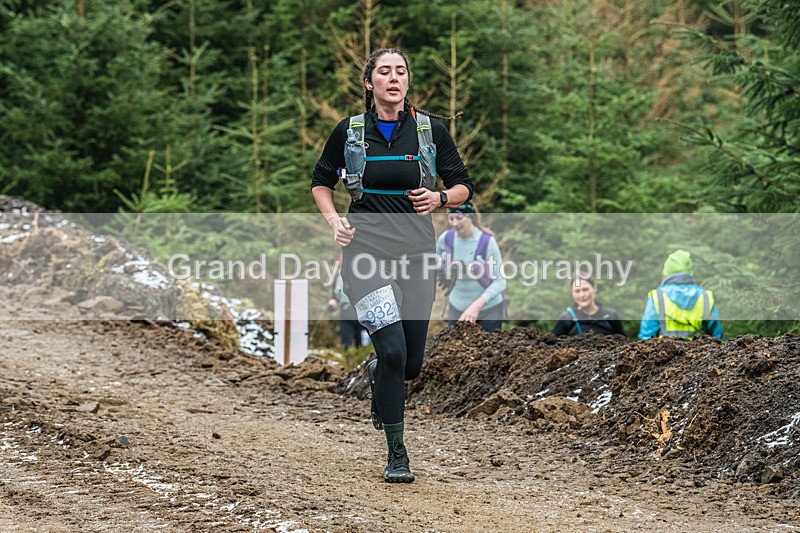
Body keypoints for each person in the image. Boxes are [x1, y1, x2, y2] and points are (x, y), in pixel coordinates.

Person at [311, 48, 473, 483]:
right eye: (384, 72)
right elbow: (321, 182)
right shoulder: (350, 132)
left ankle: (382, 375)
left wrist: (440, 198)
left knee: (411, 363)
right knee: (395, 350)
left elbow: (462, 185)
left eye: (401, 71)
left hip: (418, 255)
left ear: (407, 81)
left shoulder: (430, 131)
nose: (393, 78)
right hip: (365, 256)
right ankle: (397, 454)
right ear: (370, 84)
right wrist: (335, 222)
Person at [436, 202, 506, 332]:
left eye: (459, 218)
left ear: (471, 217)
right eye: (451, 218)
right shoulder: (445, 239)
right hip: (457, 308)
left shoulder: (487, 242)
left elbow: (500, 282)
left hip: (488, 310)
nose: (455, 223)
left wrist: (476, 306)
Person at [638, 249, 722, 339]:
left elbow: (646, 336)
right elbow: (717, 337)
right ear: (690, 272)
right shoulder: (705, 297)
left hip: (663, 351)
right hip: (698, 351)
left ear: (666, 271)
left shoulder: (657, 297)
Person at [552, 276, 625, 337]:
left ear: (594, 289)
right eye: (577, 291)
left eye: (585, 289)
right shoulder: (566, 318)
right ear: (572, 293)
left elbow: (624, 342)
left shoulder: (610, 315)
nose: (582, 295)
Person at [327, 269, 369, 349]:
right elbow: (335, 295)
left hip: (362, 314)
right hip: (346, 313)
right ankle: (348, 358)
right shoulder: (339, 278)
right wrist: (333, 302)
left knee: (362, 345)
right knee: (347, 343)